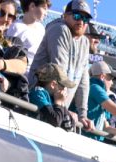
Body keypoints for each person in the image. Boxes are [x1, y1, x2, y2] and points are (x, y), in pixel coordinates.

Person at [29, 0, 93, 130]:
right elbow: (59, 69)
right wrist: (62, 108)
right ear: (65, 16)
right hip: (41, 102)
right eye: (76, 16)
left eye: (85, 19)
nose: (81, 21)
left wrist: (82, 115)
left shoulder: (85, 42)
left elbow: (83, 80)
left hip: (57, 107)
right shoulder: (59, 29)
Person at [29, 62, 76, 131]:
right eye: (63, 86)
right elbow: (55, 121)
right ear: (53, 84)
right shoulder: (38, 92)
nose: (65, 89)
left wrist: (62, 104)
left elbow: (69, 126)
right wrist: (59, 102)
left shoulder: (54, 97)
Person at [6, 0, 50, 70]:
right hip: (24, 73)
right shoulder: (16, 27)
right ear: (32, 6)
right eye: (44, 9)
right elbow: (9, 55)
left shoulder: (41, 28)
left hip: (39, 72)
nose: (46, 13)